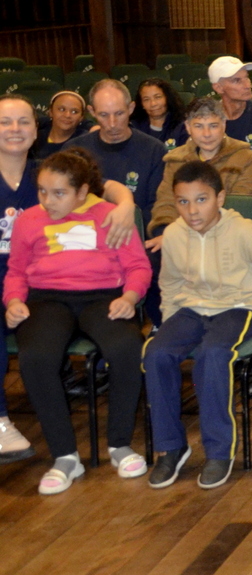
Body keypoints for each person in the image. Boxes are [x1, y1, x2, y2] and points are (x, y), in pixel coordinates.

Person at [0, 97, 139, 466]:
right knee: (36, 356)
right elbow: (17, 270)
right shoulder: (31, 217)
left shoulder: (58, 175)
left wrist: (130, 295)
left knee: (126, 347)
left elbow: (136, 265)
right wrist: (14, 300)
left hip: (101, 295)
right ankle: (64, 455)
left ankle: (120, 445)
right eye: (43, 193)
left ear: (81, 192)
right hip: (45, 297)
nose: (48, 200)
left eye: (58, 193)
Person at [143, 160, 252, 490]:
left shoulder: (244, 231)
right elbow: (169, 283)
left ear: (220, 198)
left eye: (201, 200)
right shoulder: (174, 234)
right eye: (183, 201)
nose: (192, 210)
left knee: (213, 354)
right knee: (156, 354)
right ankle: (171, 447)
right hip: (191, 308)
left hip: (239, 306)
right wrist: (170, 325)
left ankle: (218, 451)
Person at [146, 96, 252, 250]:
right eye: (198, 126)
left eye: (213, 126)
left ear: (224, 124)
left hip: (225, 237)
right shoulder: (176, 159)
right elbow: (166, 202)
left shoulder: (244, 157)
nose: (206, 134)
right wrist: (168, 232)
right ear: (188, 127)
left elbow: (239, 205)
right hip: (180, 236)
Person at [68, 80, 167, 224]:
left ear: (131, 108)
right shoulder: (74, 151)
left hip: (136, 231)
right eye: (104, 115)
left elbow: (158, 208)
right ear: (92, 112)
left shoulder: (155, 151)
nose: (112, 123)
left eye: (119, 113)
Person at [132, 78, 188, 150]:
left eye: (157, 97)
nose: (153, 104)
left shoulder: (182, 128)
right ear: (141, 104)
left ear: (167, 98)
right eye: (146, 99)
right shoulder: (133, 128)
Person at [33, 90, 89, 158]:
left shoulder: (86, 142)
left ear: (81, 117)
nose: (67, 115)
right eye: (61, 109)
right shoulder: (35, 138)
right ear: (51, 112)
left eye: (74, 112)